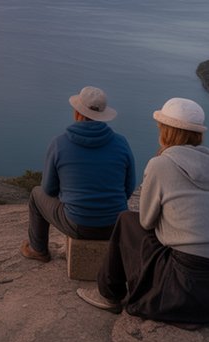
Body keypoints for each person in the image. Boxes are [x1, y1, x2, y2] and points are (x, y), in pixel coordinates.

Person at [77, 97, 209, 326]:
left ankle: (109, 294)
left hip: (189, 280)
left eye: (160, 127)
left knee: (126, 221)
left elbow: (146, 221)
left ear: (166, 131)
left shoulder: (160, 164)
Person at [20, 86, 136, 263]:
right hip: (115, 225)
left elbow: (49, 189)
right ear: (103, 115)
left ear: (77, 113)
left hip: (78, 225)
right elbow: (128, 189)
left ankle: (38, 249)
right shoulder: (121, 143)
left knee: (36, 194)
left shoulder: (60, 143)